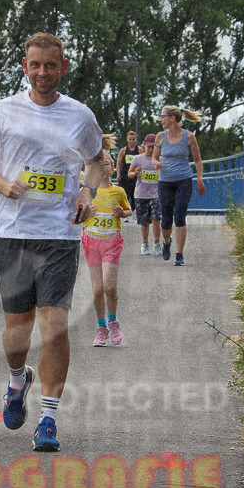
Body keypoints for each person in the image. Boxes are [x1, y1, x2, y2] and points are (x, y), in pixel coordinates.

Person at [0, 32, 104, 452]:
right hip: (12, 233)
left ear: (62, 67)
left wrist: (88, 192)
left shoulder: (80, 115)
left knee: (55, 326)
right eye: (35, 65)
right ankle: (17, 379)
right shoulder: (5, 111)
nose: (43, 72)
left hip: (60, 235)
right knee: (17, 331)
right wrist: (2, 184)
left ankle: (47, 419)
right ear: (25, 67)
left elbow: (97, 162)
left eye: (51, 65)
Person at [84, 141, 131, 346]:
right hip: (91, 241)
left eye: (107, 164)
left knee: (110, 287)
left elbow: (128, 210)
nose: (103, 168)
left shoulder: (118, 191)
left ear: (112, 167)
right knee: (97, 290)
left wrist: (122, 213)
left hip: (112, 242)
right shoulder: (87, 191)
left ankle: (113, 322)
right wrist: (87, 211)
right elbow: (76, 214)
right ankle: (101, 327)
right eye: (99, 164)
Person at [153, 105, 206, 265]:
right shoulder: (160, 137)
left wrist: (199, 179)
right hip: (165, 181)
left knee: (180, 216)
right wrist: (156, 163)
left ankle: (179, 254)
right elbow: (154, 158)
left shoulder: (189, 137)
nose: (160, 119)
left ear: (172, 118)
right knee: (166, 220)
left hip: (184, 180)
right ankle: (167, 242)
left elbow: (197, 159)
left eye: (163, 116)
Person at [127, 133, 164, 256]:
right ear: (144, 145)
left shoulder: (160, 160)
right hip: (141, 194)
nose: (151, 149)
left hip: (156, 194)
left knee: (156, 219)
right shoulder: (137, 159)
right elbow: (129, 174)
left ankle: (157, 243)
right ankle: (145, 243)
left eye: (153, 146)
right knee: (144, 222)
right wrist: (135, 172)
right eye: (149, 146)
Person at [114, 130, 140, 220]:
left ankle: (134, 211)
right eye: (130, 139)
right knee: (125, 194)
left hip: (135, 176)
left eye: (133, 139)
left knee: (135, 194)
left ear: (135, 140)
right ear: (127, 139)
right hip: (125, 176)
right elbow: (118, 163)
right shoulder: (123, 150)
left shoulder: (139, 150)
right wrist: (118, 175)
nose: (131, 141)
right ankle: (125, 213)